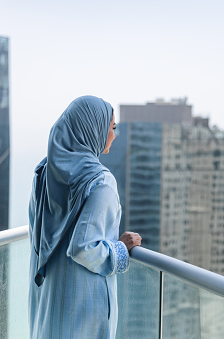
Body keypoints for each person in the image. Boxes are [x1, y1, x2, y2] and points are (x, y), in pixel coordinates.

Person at [28, 95, 142, 339]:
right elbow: (82, 248)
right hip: (83, 305)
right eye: (111, 127)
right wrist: (120, 248)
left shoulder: (45, 172)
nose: (114, 134)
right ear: (92, 129)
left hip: (50, 298)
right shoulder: (101, 182)